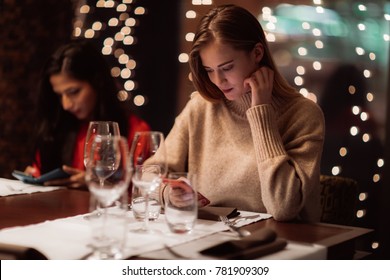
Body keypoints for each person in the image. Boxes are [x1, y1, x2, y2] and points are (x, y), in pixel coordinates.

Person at [162, 4, 325, 222]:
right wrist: (167, 194)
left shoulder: (304, 115)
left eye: (227, 67)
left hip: (279, 246)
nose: (218, 81)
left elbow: (284, 207)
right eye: (210, 70)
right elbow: (152, 169)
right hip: (210, 240)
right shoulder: (201, 106)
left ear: (257, 53)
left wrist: (261, 113)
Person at [24, 40, 150, 188]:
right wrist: (35, 177)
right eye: (59, 95)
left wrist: (100, 184)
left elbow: (144, 190)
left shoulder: (136, 131)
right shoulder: (58, 127)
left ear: (97, 83)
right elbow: (41, 172)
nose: (66, 105)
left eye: (73, 92)